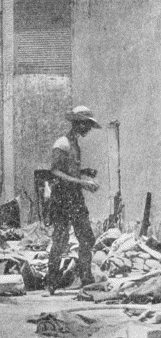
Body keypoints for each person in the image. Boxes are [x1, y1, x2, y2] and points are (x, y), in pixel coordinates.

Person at [46, 105, 101, 294]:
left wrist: (84, 172)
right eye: (87, 125)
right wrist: (81, 181)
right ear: (79, 123)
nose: (88, 129)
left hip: (75, 198)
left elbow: (69, 170)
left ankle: (86, 278)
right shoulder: (62, 143)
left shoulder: (75, 144)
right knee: (60, 240)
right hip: (62, 199)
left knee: (87, 238)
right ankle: (51, 281)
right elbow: (55, 171)